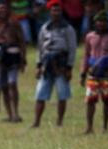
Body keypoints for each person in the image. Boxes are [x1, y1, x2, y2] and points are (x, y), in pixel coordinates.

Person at [30, 0, 77, 128]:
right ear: (49, 12)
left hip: (61, 63)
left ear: (61, 12)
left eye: (58, 10)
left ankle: (59, 122)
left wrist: (69, 68)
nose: (56, 13)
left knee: (62, 94)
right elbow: (40, 48)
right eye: (53, 10)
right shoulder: (45, 28)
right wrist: (38, 66)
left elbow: (72, 49)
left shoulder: (68, 28)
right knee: (40, 94)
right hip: (46, 63)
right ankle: (36, 122)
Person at [80, 10, 108, 134]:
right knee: (90, 100)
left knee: (107, 99)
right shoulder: (89, 37)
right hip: (93, 72)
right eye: (99, 21)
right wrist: (82, 73)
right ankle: (89, 127)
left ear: (107, 23)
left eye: (104, 21)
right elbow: (85, 54)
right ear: (95, 23)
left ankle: (105, 126)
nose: (101, 23)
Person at [0, 1, 26, 123]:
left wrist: (23, 60)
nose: (2, 11)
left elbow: (22, 42)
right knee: (3, 86)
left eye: (4, 9)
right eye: (0, 9)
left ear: (8, 10)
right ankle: (9, 114)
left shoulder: (15, 25)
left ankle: (16, 113)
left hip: (13, 56)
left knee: (12, 83)